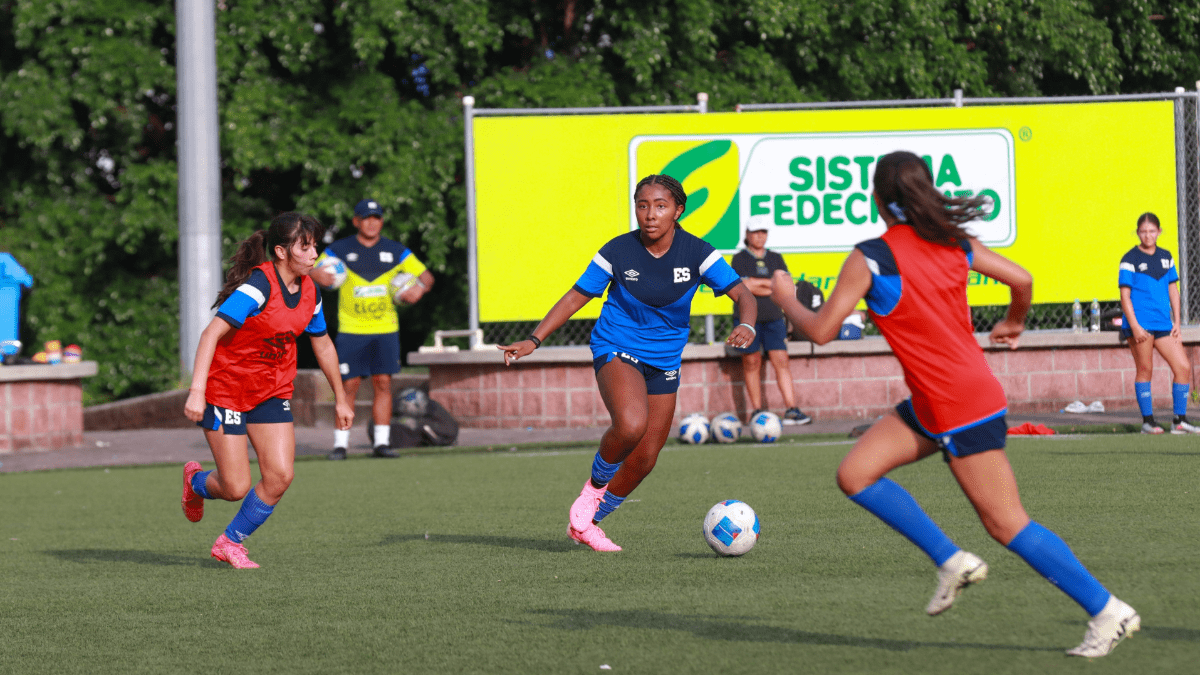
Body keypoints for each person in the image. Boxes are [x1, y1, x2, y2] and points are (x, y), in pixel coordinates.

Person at [769, 151, 1140, 658]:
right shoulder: (953, 242)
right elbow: (1023, 279)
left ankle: (1108, 611)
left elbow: (822, 331)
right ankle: (950, 561)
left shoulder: (872, 256)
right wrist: (1013, 321)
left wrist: (786, 296)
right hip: (943, 398)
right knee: (855, 474)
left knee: (1007, 524)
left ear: (877, 199)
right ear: (925, 192)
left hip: (957, 406)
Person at [499, 174, 757, 552]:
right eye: (642, 205)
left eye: (660, 206)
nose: (650, 214)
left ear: (678, 210)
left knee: (646, 457)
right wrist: (535, 339)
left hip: (665, 359)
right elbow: (576, 296)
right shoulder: (618, 251)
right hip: (616, 345)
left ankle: (588, 524)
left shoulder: (698, 253)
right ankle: (592, 489)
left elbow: (743, 294)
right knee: (632, 423)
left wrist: (747, 323)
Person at [182, 212, 355, 569]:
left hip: (271, 391)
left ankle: (229, 542)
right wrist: (197, 391)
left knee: (280, 476)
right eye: (304, 247)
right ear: (280, 251)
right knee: (235, 488)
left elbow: (322, 345)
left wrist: (341, 398)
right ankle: (197, 483)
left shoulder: (310, 292)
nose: (313, 254)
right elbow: (210, 334)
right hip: (226, 390)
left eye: (314, 246)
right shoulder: (257, 287)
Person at [311, 198, 435, 460]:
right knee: (349, 386)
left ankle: (381, 443)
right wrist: (315, 275)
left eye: (376, 217)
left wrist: (419, 290)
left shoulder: (395, 250)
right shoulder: (340, 249)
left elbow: (426, 277)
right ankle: (340, 445)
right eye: (365, 217)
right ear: (356, 221)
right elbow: (309, 267)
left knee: (383, 384)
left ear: (381, 221)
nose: (371, 222)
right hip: (351, 329)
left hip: (385, 329)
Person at [1118, 212, 1198, 435]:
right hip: (1140, 325)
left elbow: (1173, 290)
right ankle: (1148, 422)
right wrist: (1134, 326)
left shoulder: (1166, 256)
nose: (1148, 235)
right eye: (1143, 231)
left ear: (1159, 232)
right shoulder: (1129, 259)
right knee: (1145, 370)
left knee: (1182, 367)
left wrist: (1178, 323)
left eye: (1152, 231)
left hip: (1164, 323)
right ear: (1137, 233)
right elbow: (1125, 297)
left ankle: (1179, 421)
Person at [730, 217, 811, 425]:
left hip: (774, 318)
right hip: (748, 319)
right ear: (747, 235)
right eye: (756, 232)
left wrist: (757, 283)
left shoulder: (776, 257)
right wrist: (770, 284)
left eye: (763, 232)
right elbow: (744, 286)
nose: (760, 236)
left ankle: (792, 409)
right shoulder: (739, 259)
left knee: (781, 360)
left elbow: (786, 286)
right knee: (751, 362)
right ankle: (757, 411)